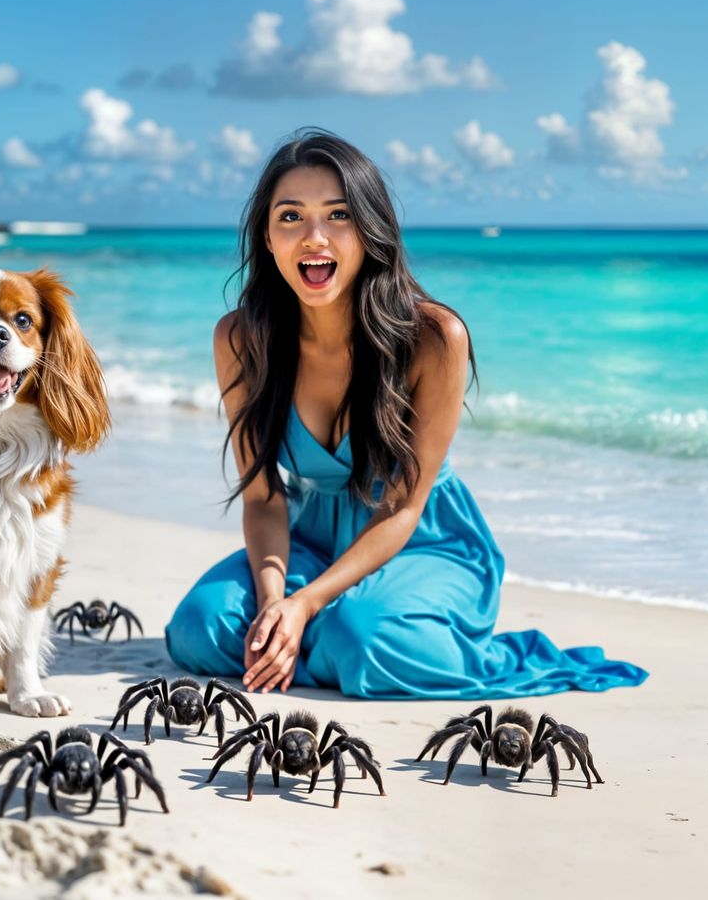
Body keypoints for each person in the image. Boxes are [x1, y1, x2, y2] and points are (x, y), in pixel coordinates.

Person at [165, 129, 647, 699]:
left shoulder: (435, 338)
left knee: (364, 641)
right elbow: (263, 497)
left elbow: (404, 505)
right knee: (200, 630)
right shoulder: (242, 339)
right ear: (267, 238)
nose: (313, 237)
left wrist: (308, 603)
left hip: (421, 539)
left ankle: (347, 632)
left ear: (371, 231)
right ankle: (321, 638)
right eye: (290, 217)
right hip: (312, 538)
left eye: (338, 215)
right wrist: (276, 605)